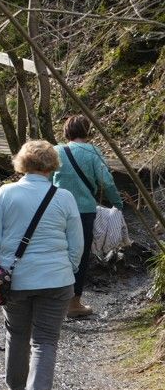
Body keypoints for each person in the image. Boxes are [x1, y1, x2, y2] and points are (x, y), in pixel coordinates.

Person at [0, 139, 83, 390]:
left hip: (15, 279)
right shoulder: (65, 197)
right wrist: (68, 268)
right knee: (45, 341)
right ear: (52, 165)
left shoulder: (6, 193)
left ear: (22, 163)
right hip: (57, 279)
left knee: (16, 334)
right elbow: (77, 243)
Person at [51, 114, 124, 318]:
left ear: (66, 131)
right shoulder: (93, 152)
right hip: (83, 212)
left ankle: (52, 302)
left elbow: (45, 181)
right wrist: (118, 203)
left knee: (55, 252)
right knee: (79, 255)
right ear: (87, 131)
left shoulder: (56, 151)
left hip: (57, 211)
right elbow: (106, 182)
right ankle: (73, 303)